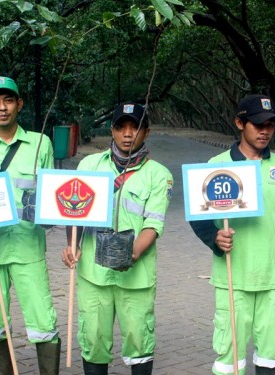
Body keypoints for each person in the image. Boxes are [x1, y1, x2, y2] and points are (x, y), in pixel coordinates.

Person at [190, 94, 275, 375]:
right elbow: (197, 217)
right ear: (239, 123)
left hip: (274, 276)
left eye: (270, 125)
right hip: (233, 276)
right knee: (228, 359)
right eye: (258, 124)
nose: (265, 130)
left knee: (270, 356)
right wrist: (214, 239)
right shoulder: (216, 164)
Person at [62, 102, 173, 375]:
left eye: (135, 127)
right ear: (111, 130)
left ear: (146, 132)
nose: (127, 134)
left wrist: (132, 253)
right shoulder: (89, 165)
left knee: (139, 343)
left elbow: (153, 224)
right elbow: (72, 212)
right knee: (94, 340)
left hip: (136, 277)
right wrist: (72, 245)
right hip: (92, 274)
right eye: (121, 127)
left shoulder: (159, 175)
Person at [0, 76, 61, 374]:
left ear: (19, 104)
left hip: (28, 246)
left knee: (43, 321)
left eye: (8, 100)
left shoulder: (40, 143)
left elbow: (52, 194)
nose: (2, 108)